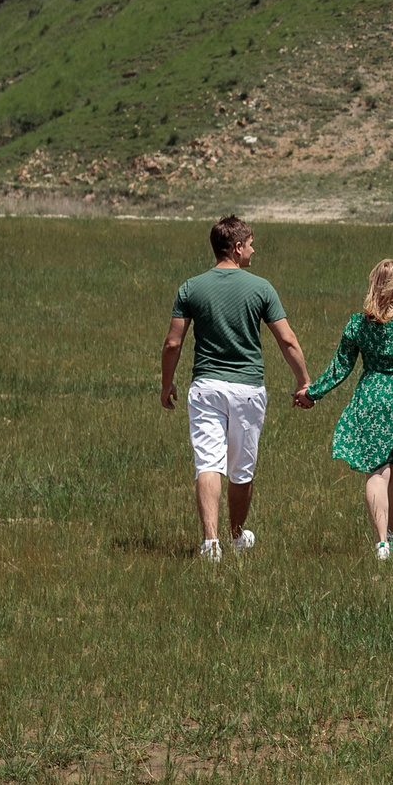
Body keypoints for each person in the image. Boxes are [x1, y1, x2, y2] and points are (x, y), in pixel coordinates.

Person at [161, 216, 308, 562]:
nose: (254, 249)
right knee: (241, 469)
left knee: (208, 463)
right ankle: (237, 536)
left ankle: (210, 543)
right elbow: (286, 340)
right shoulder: (261, 288)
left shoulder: (190, 287)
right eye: (252, 243)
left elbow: (172, 343)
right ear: (238, 247)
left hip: (206, 387)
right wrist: (303, 381)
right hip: (247, 390)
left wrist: (167, 382)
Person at [296, 259, 393, 562]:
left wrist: (313, 393)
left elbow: (341, 367)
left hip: (371, 397)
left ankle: (380, 545)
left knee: (377, 472)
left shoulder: (358, 324)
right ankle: (392, 533)